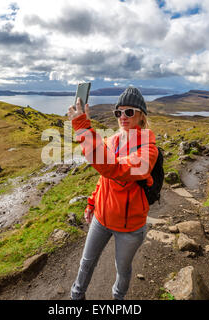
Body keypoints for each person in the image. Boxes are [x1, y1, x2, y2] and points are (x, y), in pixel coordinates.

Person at [67, 87, 159, 300]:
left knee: (122, 269)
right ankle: (76, 298)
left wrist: (82, 128)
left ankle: (118, 300)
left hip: (130, 228)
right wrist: (92, 203)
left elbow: (114, 168)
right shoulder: (112, 141)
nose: (123, 117)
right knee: (86, 262)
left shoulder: (149, 150)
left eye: (129, 112)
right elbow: (104, 178)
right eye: (119, 112)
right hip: (101, 218)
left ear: (141, 115)